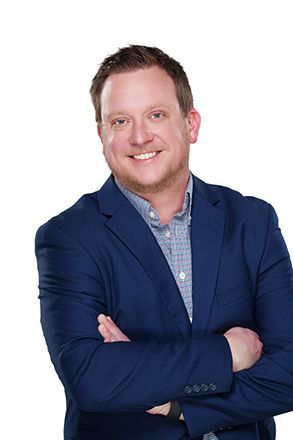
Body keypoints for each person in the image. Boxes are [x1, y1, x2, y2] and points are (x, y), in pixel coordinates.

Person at [35, 45, 293, 440]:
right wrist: (226, 354)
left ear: (190, 125)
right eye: (120, 121)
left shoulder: (252, 223)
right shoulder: (68, 238)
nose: (139, 137)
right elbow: (90, 378)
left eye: (156, 115)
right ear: (102, 134)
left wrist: (174, 404)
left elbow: (289, 370)